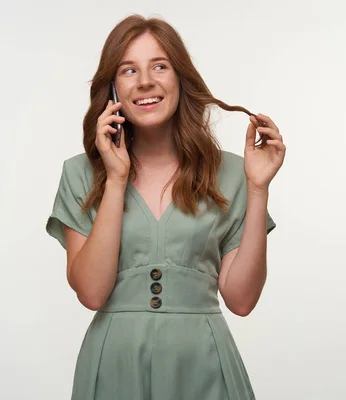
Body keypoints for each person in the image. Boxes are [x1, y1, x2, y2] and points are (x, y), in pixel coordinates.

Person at [45, 14, 285, 400]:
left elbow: (241, 301)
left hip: (205, 367)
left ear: (180, 79)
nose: (145, 81)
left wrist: (258, 190)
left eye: (160, 66)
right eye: (128, 70)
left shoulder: (233, 173)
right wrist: (117, 178)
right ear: (112, 89)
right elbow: (91, 292)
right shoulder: (80, 174)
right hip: (114, 369)